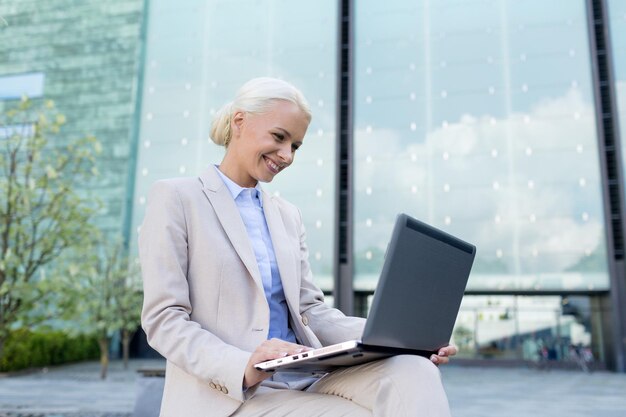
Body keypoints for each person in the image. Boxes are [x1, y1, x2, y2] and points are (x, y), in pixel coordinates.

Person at [139, 77, 457, 417]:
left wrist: (402, 339)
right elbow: (164, 319)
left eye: (296, 146)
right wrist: (242, 364)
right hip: (234, 395)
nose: (287, 155)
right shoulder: (177, 198)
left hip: (304, 377)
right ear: (240, 122)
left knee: (416, 370)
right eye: (279, 137)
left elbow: (312, 311)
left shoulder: (287, 216)